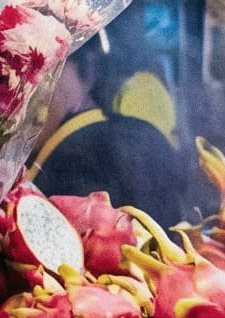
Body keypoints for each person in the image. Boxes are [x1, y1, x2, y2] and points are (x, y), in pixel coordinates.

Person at [28, 33, 192, 226]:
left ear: (89, 68)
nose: (28, 87)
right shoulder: (148, 134)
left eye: (45, 69)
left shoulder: (72, 163)